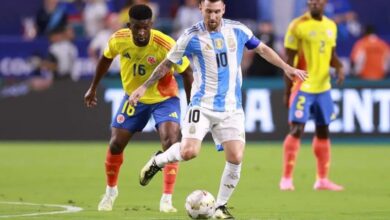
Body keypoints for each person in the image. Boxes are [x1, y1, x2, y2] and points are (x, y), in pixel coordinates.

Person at [129, 0, 306, 218]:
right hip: (202, 105)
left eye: (216, 12)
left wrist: (286, 67)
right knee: (189, 152)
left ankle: (220, 206)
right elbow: (167, 63)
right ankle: (158, 161)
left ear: (223, 10)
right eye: (208, 11)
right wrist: (144, 87)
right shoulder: (191, 36)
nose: (212, 16)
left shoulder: (238, 30)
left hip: (231, 107)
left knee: (236, 156)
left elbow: (262, 49)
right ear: (201, 9)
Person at [83, 4, 193, 213]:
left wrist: (191, 105)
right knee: (116, 144)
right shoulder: (118, 39)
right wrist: (93, 88)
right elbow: (105, 59)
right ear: (129, 26)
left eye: (145, 27)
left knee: (171, 142)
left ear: (151, 25)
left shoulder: (165, 43)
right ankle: (111, 191)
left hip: (165, 98)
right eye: (137, 27)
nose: (141, 32)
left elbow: (187, 72)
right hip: (133, 99)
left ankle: (166, 199)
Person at [280, 0, 345, 191]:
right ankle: (286, 178)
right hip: (303, 86)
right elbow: (289, 61)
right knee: (297, 130)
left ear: (324, 2)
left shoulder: (331, 25)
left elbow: (331, 55)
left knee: (323, 131)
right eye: (312, 0)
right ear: (308, 2)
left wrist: (339, 67)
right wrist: (287, 90)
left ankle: (322, 179)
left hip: (323, 88)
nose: (315, 2)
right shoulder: (297, 25)